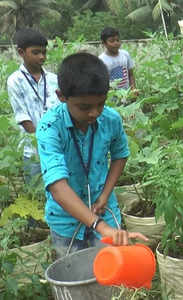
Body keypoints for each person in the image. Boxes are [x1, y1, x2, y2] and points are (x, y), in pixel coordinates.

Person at [36, 53, 147, 258]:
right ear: (61, 96)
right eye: (84, 107)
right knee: (73, 275)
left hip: (105, 210)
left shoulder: (111, 119)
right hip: (65, 221)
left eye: (101, 103)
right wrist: (100, 226)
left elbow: (120, 155)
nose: (95, 113)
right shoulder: (50, 127)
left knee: (111, 273)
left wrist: (104, 195)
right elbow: (58, 188)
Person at [7, 28, 60, 183]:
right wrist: (43, 140)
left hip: (57, 147)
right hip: (33, 151)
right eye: (36, 52)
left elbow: (60, 110)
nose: (42, 57)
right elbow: (22, 117)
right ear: (21, 52)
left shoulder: (53, 79)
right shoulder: (15, 81)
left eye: (44, 52)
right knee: (35, 193)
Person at [98, 27, 137, 98]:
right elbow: (102, 83)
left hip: (127, 95)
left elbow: (130, 74)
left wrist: (133, 90)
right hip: (112, 99)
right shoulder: (101, 60)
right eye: (112, 41)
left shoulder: (125, 54)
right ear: (104, 43)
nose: (116, 43)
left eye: (117, 40)